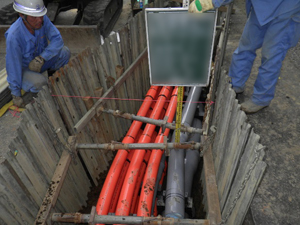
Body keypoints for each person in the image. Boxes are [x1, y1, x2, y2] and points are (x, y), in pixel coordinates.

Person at [189, 0, 300, 113]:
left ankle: (261, 98)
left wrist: (211, 2)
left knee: (271, 56)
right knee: (246, 46)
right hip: (262, 7)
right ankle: (235, 83)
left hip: (286, 10)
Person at [6, 0, 71, 107]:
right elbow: (13, 67)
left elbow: (57, 39)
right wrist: (16, 94)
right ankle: (36, 84)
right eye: (34, 17)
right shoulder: (14, 36)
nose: (39, 20)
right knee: (40, 83)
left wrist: (42, 58)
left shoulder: (42, 19)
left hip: (40, 61)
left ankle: (52, 78)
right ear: (22, 15)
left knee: (65, 52)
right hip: (24, 69)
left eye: (41, 16)